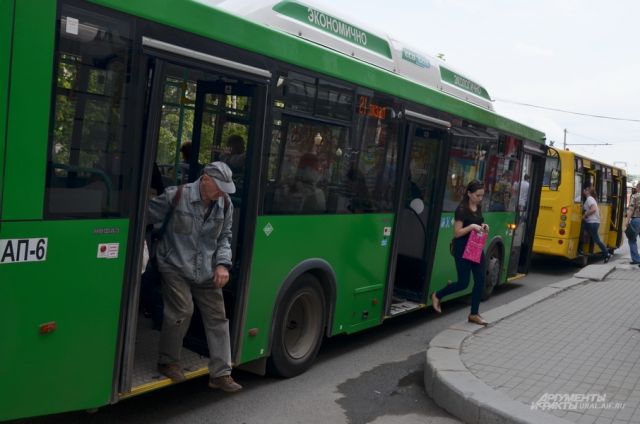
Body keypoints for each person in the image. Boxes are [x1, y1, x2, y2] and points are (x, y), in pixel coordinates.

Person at [147, 161, 242, 392]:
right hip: (175, 265)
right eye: (218, 187)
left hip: (207, 269)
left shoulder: (225, 204)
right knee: (182, 309)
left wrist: (222, 265)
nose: (221, 193)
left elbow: (225, 237)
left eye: (225, 189)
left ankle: (220, 374)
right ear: (205, 179)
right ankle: (168, 361)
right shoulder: (176, 196)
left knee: (218, 317)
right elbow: (144, 214)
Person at [431, 180, 491, 326]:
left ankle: (474, 314)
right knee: (463, 283)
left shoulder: (478, 206)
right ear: (469, 194)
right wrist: (471, 227)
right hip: (462, 247)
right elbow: (457, 233)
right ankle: (437, 295)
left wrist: (483, 226)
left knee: (480, 279)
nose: (480, 198)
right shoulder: (461, 209)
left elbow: (478, 222)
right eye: (477, 195)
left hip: (475, 246)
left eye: (482, 196)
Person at [581, 185, 610, 263]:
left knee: (596, 240)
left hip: (592, 222)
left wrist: (584, 215)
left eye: (585, 189)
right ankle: (583, 251)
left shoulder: (590, 198)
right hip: (591, 222)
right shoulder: (590, 199)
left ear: (588, 192)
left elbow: (593, 209)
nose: (584, 190)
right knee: (584, 235)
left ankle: (606, 253)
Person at [626, 182, 640, 265]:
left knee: (632, 240)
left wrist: (627, 221)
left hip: (636, 220)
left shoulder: (635, 196)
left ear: (638, 188)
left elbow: (631, 209)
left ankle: (636, 259)